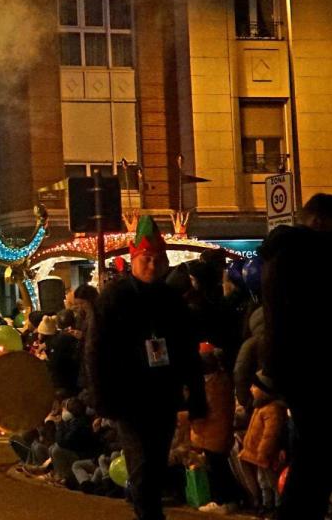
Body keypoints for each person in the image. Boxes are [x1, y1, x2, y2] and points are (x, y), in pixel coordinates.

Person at [86, 216, 206, 520]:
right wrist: (102, 398)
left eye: (157, 259)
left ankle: (148, 510)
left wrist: (196, 396)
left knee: (155, 462)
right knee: (143, 466)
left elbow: (187, 349)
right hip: (129, 397)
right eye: (146, 259)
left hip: (163, 395)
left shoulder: (171, 300)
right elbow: (96, 351)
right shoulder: (115, 298)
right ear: (134, 260)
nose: (152, 265)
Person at [259, 193, 332, 520]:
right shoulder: (308, 254)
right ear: (320, 221)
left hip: (296, 367)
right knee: (316, 453)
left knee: (314, 450)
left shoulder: (282, 254)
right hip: (314, 366)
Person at [190, 343, 240, 514]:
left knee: (218, 468)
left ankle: (224, 501)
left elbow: (205, 410)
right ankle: (229, 499)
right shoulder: (222, 380)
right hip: (218, 430)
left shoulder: (213, 385)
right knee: (220, 467)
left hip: (213, 432)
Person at [238, 372, 287, 515]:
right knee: (262, 481)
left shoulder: (272, 409)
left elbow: (270, 435)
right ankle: (267, 504)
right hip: (258, 455)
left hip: (265, 455)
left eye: (255, 386)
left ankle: (277, 505)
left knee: (272, 482)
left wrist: (263, 453)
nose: (251, 389)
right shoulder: (259, 407)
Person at [35, 315, 81, 397]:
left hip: (64, 385)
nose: (38, 335)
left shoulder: (57, 344)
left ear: (44, 334)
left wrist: (44, 359)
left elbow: (55, 365)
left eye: (39, 333)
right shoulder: (54, 341)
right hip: (67, 381)